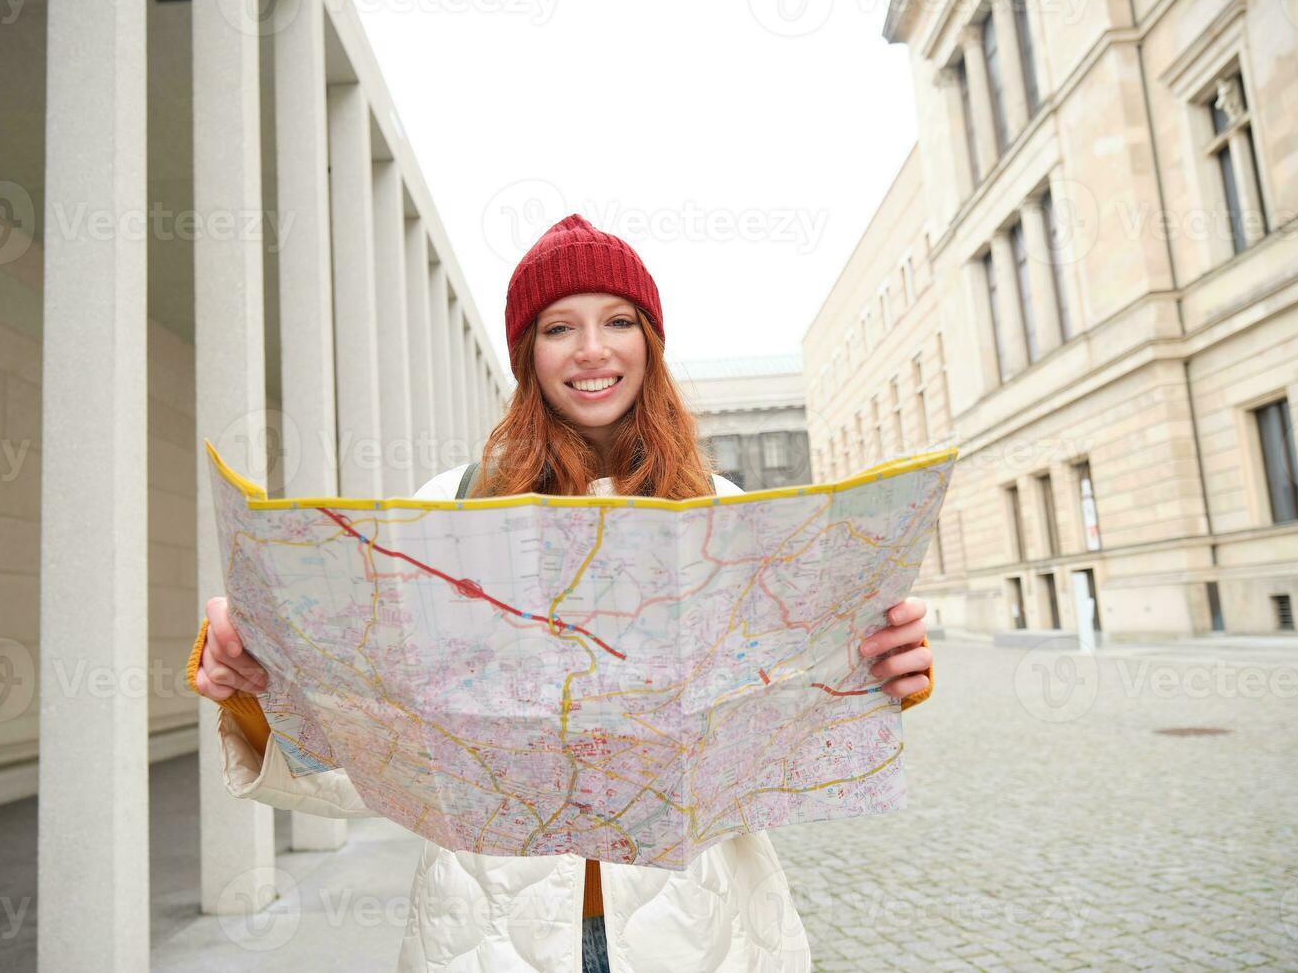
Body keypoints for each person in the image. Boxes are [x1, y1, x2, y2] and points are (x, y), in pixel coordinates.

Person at [186, 214, 935, 972]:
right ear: (527, 355)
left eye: (617, 320)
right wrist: (253, 698)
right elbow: (374, 766)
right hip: (486, 938)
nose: (592, 349)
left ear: (651, 341)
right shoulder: (447, 509)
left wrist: (865, 679)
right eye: (558, 327)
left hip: (702, 929)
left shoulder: (722, 509)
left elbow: (768, 741)